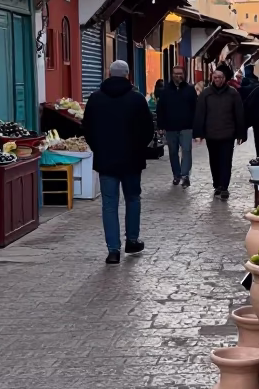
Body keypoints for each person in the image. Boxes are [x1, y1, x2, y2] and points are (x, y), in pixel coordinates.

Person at [83, 59, 154, 265]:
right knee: (133, 199)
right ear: (127, 75)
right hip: (132, 160)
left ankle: (113, 250)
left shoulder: (95, 99)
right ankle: (132, 240)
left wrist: (99, 148)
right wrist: (138, 148)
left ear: (109, 73)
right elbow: (148, 129)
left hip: (106, 160)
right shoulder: (137, 99)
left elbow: (87, 129)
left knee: (109, 204)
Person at [194, 66, 246, 200]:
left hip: (228, 134)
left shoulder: (233, 93)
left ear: (224, 79)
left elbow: (239, 114)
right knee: (214, 161)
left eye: (220, 77)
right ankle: (217, 184)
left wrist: (241, 134)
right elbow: (200, 113)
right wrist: (199, 133)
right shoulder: (206, 93)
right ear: (212, 78)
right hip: (211, 134)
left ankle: (224, 187)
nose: (217, 80)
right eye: (215, 77)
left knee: (226, 161)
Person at [156, 65, 197, 186]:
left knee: (186, 150)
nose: (178, 76)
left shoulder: (190, 90)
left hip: (186, 126)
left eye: (180, 73)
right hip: (170, 127)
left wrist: (196, 125)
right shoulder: (165, 91)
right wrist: (160, 126)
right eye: (175, 73)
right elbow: (160, 109)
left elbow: (195, 108)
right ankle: (176, 175)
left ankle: (185, 175)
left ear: (184, 75)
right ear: (172, 75)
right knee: (173, 152)